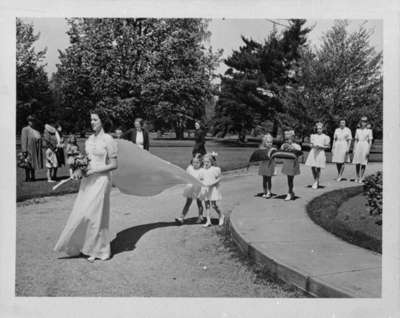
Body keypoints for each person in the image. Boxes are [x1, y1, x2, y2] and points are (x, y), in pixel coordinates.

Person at [54, 111, 118, 262]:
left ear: (103, 121)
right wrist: (79, 170)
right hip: (88, 180)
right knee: (82, 212)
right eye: (91, 119)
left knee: (95, 215)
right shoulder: (89, 139)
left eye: (95, 119)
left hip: (101, 180)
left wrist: (93, 170)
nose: (92, 122)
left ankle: (99, 250)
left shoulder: (108, 139)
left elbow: (114, 165)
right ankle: (84, 246)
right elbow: (87, 160)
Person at [175, 153, 205, 225]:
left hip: (198, 189)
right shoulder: (190, 168)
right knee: (188, 203)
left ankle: (200, 217)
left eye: (197, 162)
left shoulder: (202, 170)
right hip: (190, 188)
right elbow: (186, 175)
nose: (195, 164)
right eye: (194, 162)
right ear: (192, 162)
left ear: (201, 163)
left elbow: (203, 180)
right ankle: (181, 218)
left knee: (199, 203)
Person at [305, 122, 331, 189]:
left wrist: (321, 147)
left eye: (320, 129)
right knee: (313, 167)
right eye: (318, 129)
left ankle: (316, 181)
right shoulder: (313, 136)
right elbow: (310, 144)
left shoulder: (325, 137)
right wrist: (312, 145)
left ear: (322, 129)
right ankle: (315, 180)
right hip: (313, 152)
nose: (319, 130)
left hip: (320, 152)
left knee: (318, 167)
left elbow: (328, 146)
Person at [202, 152, 223, 227]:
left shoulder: (215, 169)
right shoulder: (203, 170)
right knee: (207, 205)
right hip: (205, 189)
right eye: (204, 162)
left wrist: (212, 183)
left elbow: (219, 178)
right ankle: (208, 221)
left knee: (214, 205)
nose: (206, 163)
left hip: (213, 189)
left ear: (211, 162)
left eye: (207, 162)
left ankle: (221, 216)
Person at [20, 115, 43, 181]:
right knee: (27, 164)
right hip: (28, 149)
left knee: (33, 163)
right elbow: (23, 140)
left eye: (33, 121)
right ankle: (27, 177)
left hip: (35, 149)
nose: (31, 122)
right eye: (30, 121)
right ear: (28, 121)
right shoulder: (25, 129)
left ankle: (33, 177)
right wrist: (24, 150)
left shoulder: (36, 130)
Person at [280, 130, 302, 201]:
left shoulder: (296, 146)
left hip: (293, 165)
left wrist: (292, 148)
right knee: (289, 179)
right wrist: (284, 148)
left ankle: (289, 192)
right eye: (285, 139)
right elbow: (280, 152)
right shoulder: (283, 145)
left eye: (288, 139)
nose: (286, 141)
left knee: (290, 179)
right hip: (287, 164)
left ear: (292, 138)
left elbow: (299, 152)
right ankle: (291, 192)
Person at [352, 116, 373, 183]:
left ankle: (361, 177)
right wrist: (354, 149)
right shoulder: (357, 130)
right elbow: (355, 140)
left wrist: (368, 150)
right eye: (362, 121)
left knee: (363, 162)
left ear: (367, 123)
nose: (363, 123)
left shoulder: (369, 131)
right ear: (360, 122)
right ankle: (357, 176)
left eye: (365, 121)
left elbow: (370, 141)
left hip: (365, 146)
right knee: (357, 162)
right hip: (358, 145)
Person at [258, 134, 276, 198]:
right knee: (264, 179)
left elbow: (274, 159)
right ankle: (264, 191)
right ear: (264, 142)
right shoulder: (262, 149)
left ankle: (269, 191)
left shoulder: (273, 150)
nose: (270, 143)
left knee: (269, 179)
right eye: (268, 142)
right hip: (263, 166)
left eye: (271, 142)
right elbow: (259, 158)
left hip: (270, 166)